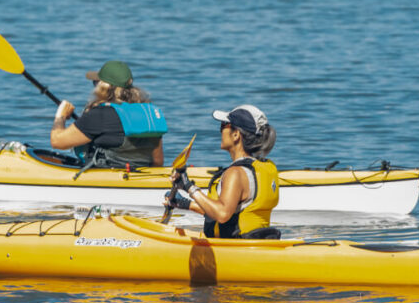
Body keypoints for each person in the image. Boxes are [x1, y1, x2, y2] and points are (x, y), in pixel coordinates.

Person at [165, 105, 280, 239]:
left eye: (224, 125)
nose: (220, 130)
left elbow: (222, 214)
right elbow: (230, 211)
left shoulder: (235, 173)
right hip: (258, 246)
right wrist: (187, 204)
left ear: (236, 134)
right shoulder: (263, 167)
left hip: (235, 251)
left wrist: (189, 186)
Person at [51, 60, 165, 168]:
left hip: (105, 177)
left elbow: (57, 141)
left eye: (96, 83)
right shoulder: (148, 113)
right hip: (140, 177)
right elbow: (158, 161)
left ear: (103, 87)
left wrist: (61, 115)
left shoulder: (100, 115)